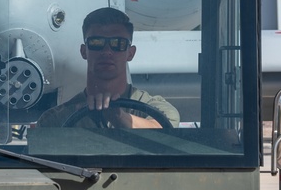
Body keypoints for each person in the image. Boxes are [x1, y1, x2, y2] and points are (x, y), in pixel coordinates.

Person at [37, 7, 180, 128]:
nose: (107, 52)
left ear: (130, 53)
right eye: (96, 42)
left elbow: (163, 129)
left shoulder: (156, 108)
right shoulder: (56, 120)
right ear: (83, 51)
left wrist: (119, 117)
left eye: (118, 44)